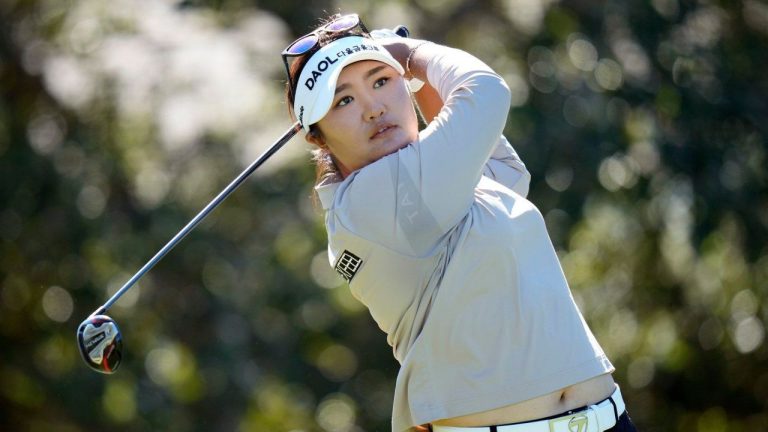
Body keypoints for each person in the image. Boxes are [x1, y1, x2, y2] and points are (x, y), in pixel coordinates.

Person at [281, 13, 637, 432]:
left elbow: (507, 173)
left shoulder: (430, 185)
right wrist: (411, 55)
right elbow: (484, 93)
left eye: (381, 81)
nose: (374, 108)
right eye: (344, 100)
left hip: (608, 419)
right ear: (316, 135)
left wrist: (413, 76)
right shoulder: (368, 203)